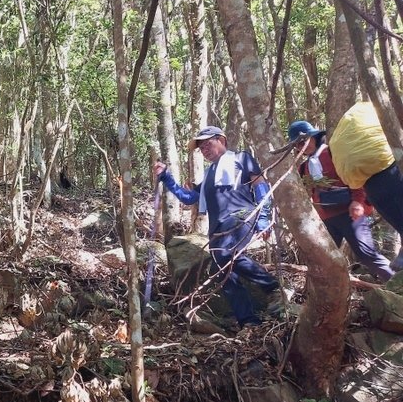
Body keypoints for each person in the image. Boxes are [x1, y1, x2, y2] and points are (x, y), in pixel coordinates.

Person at [153, 126, 281, 328]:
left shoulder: (241, 158)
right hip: (217, 228)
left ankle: (274, 288)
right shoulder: (209, 175)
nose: (204, 150)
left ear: (222, 140)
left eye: (207, 144)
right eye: (201, 148)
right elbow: (188, 198)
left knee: (225, 255)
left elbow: (260, 184)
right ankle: (249, 321)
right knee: (222, 270)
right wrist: (167, 177)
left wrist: (264, 217)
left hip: (241, 216)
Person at [287, 120, 394, 281]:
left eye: (304, 140)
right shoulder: (304, 167)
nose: (301, 146)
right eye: (297, 144)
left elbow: (352, 177)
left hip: (349, 212)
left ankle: (396, 284)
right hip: (326, 220)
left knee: (366, 255)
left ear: (314, 138)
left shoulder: (332, 154)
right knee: (325, 259)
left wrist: (358, 201)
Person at [328, 101, 403, 270]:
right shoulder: (379, 111)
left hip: (369, 184)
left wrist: (360, 200)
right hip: (389, 170)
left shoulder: (351, 125)